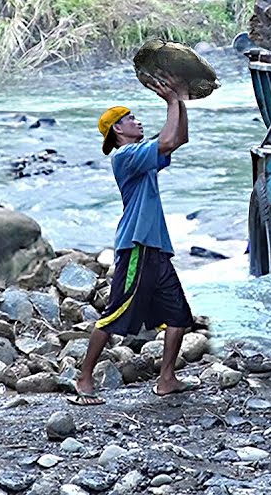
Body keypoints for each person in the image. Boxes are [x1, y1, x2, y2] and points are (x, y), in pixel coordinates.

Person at [68, 75, 197, 405]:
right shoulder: (125, 157)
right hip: (136, 246)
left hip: (155, 248)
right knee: (114, 315)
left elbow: (178, 139)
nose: (137, 121)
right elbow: (167, 141)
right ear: (118, 130)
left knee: (179, 316)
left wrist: (179, 100)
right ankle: (84, 379)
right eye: (130, 119)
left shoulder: (141, 155)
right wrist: (170, 102)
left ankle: (167, 379)